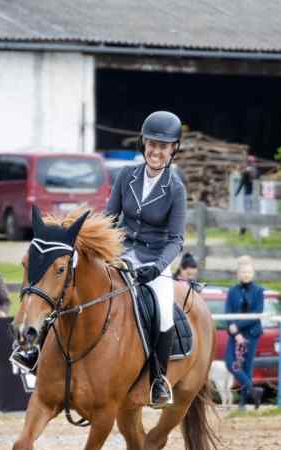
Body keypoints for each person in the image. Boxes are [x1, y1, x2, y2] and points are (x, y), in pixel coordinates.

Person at [106, 110, 188, 408]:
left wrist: (157, 267)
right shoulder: (126, 175)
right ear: (144, 144)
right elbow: (110, 217)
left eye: (163, 146)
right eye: (152, 144)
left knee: (164, 311)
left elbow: (176, 239)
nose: (156, 151)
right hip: (121, 253)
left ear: (172, 149)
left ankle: (158, 379)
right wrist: (101, 248)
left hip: (156, 260)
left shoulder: (175, 188)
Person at [224, 256, 265, 409]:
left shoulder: (259, 291)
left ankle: (243, 403)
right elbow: (227, 314)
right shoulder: (232, 291)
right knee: (231, 363)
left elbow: (257, 314)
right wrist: (236, 334)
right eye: (243, 272)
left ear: (253, 273)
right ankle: (254, 391)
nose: (246, 274)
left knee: (247, 367)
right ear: (238, 273)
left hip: (251, 333)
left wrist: (238, 327)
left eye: (248, 272)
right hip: (235, 335)